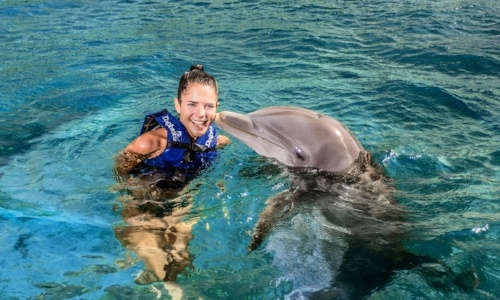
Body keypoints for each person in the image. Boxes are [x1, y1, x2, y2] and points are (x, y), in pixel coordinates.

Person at [113, 65, 229, 299]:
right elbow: (120, 171)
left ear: (217, 107)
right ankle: (165, 286)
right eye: (192, 104)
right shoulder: (150, 143)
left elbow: (216, 168)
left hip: (181, 201)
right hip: (144, 200)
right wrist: (130, 205)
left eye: (208, 106)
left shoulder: (218, 141)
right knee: (153, 248)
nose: (201, 114)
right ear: (178, 105)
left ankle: (168, 285)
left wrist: (219, 186)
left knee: (181, 252)